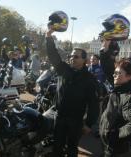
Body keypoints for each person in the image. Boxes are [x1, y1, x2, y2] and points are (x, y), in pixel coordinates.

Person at [46, 29, 99, 157]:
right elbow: (53, 55)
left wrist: (89, 124)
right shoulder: (64, 69)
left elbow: (93, 103)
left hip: (75, 121)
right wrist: (48, 37)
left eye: (76, 57)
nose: (71, 58)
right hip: (59, 116)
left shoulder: (89, 79)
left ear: (84, 60)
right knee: (57, 147)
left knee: (71, 149)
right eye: (71, 56)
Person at [99, 57, 131, 157]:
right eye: (115, 72)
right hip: (111, 147)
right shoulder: (120, 89)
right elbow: (106, 67)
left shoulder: (129, 97)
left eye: (118, 73)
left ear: (130, 76)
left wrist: (114, 135)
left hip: (118, 150)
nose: (114, 75)